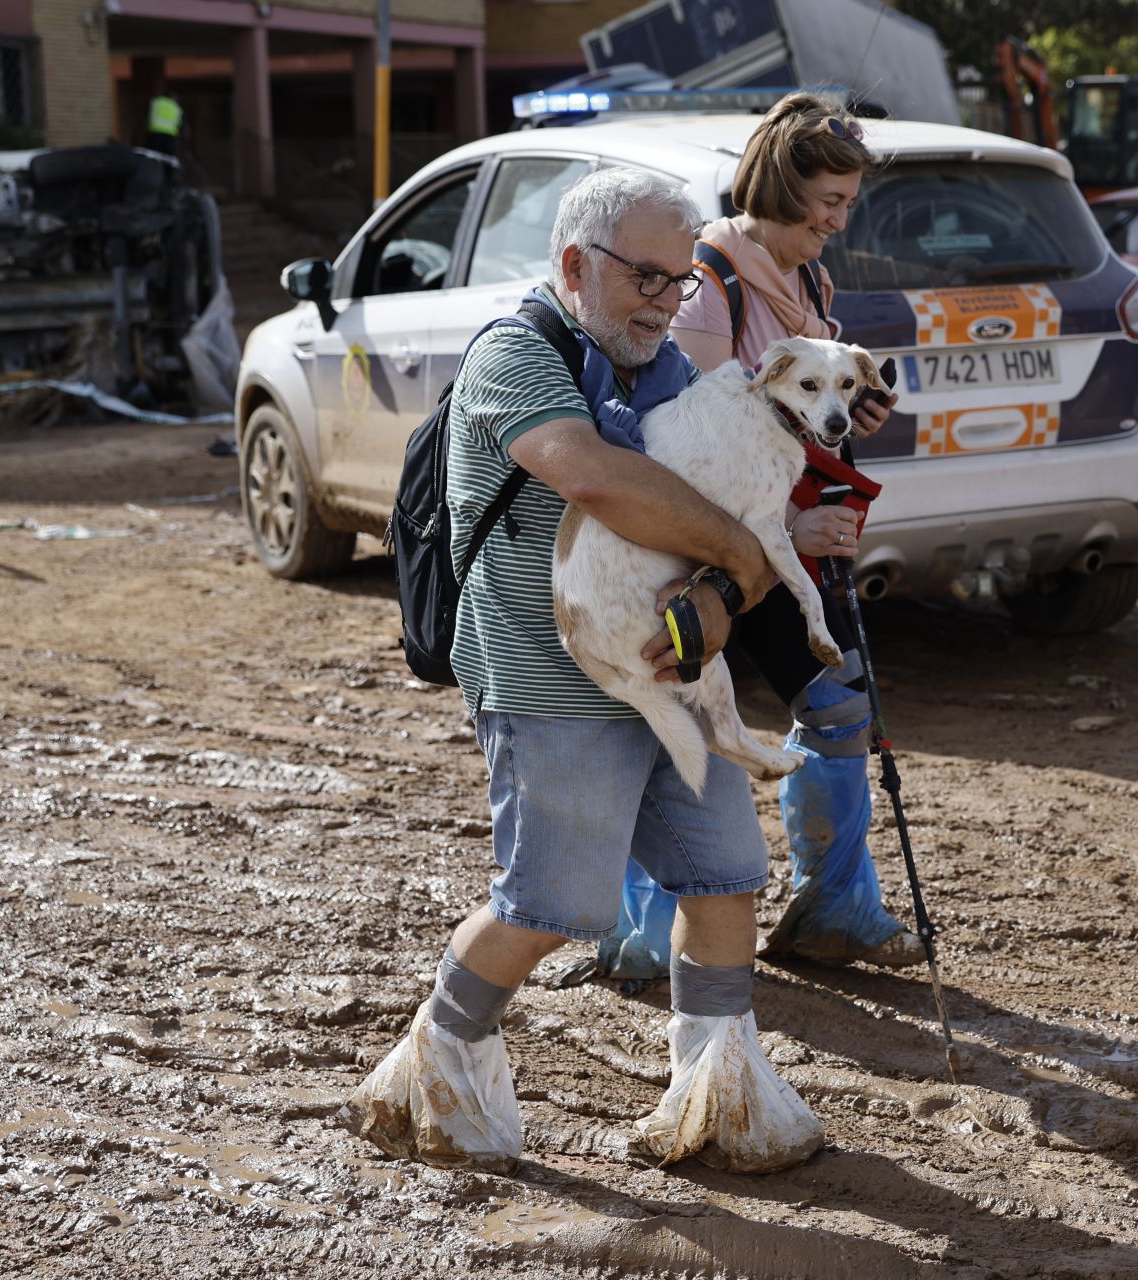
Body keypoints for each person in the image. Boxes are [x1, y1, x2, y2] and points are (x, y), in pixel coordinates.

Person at [337, 167, 824, 1174]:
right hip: (548, 680)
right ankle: (431, 1063)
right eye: (645, 276)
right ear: (574, 264)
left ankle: (720, 1092)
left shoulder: (667, 378)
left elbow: (716, 524)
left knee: (727, 875)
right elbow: (593, 475)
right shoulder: (517, 356)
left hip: (668, 680)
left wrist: (725, 594)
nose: (665, 300)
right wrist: (738, 550)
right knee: (550, 904)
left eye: (681, 281)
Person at [595, 93, 924, 982]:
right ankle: (644, 936)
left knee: (840, 706)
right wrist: (793, 522)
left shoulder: (811, 282)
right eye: (828, 201)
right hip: (702, 553)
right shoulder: (715, 282)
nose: (839, 220)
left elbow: (785, 425)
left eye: (849, 203)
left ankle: (833, 912)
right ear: (780, 186)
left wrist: (848, 414)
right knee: (670, 721)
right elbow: (688, 456)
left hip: (783, 549)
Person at [144, 84, 182, 158]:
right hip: (169, 139)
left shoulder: (155, 102)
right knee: (169, 161)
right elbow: (184, 128)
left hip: (154, 136)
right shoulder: (176, 108)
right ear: (175, 98)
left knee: (152, 158)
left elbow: (145, 116)